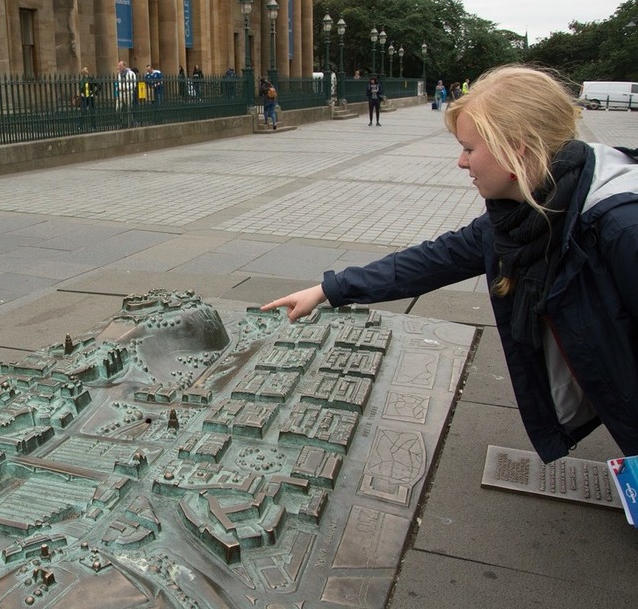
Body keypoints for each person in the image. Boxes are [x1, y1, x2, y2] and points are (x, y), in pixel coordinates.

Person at [261, 64, 638, 464]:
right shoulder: (518, 217)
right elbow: (430, 261)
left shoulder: (620, 227)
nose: (461, 162)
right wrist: (326, 290)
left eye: (470, 149)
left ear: (517, 149)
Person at [115, 60, 136, 126]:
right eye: (118, 66)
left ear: (124, 66)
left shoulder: (131, 73)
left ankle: (130, 123)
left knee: (129, 109)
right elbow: (118, 83)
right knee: (118, 109)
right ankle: (123, 122)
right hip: (121, 94)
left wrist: (126, 88)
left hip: (128, 93)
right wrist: (118, 88)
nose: (119, 67)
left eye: (120, 66)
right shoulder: (119, 74)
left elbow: (134, 84)